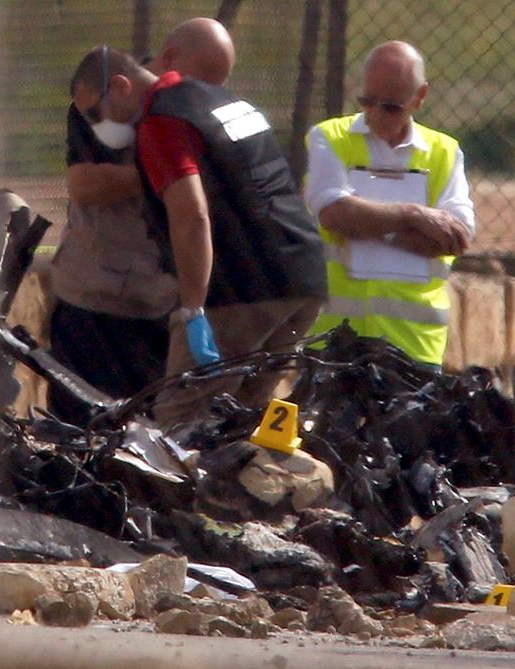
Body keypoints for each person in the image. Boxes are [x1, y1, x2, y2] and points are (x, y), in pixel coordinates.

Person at [68, 46, 327, 426]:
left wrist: (192, 311)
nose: (96, 125)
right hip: (302, 278)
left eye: (95, 112)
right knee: (247, 417)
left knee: (179, 421)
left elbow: (192, 216)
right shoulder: (218, 98)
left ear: (121, 86)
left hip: (242, 290)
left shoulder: (161, 122)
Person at [48, 18, 235, 425]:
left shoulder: (203, 113)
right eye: (195, 82)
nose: (197, 97)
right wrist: (168, 169)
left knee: (144, 442)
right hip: (93, 299)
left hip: (159, 306)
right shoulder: (99, 106)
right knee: (75, 436)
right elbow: (84, 186)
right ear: (168, 60)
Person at [304, 40, 475, 368]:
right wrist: (414, 216)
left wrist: (367, 223)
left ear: (419, 98)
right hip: (336, 339)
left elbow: (458, 236)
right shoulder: (330, 138)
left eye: (391, 106)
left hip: (414, 344)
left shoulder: (444, 152)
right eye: (367, 101)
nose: (376, 113)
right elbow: (334, 212)